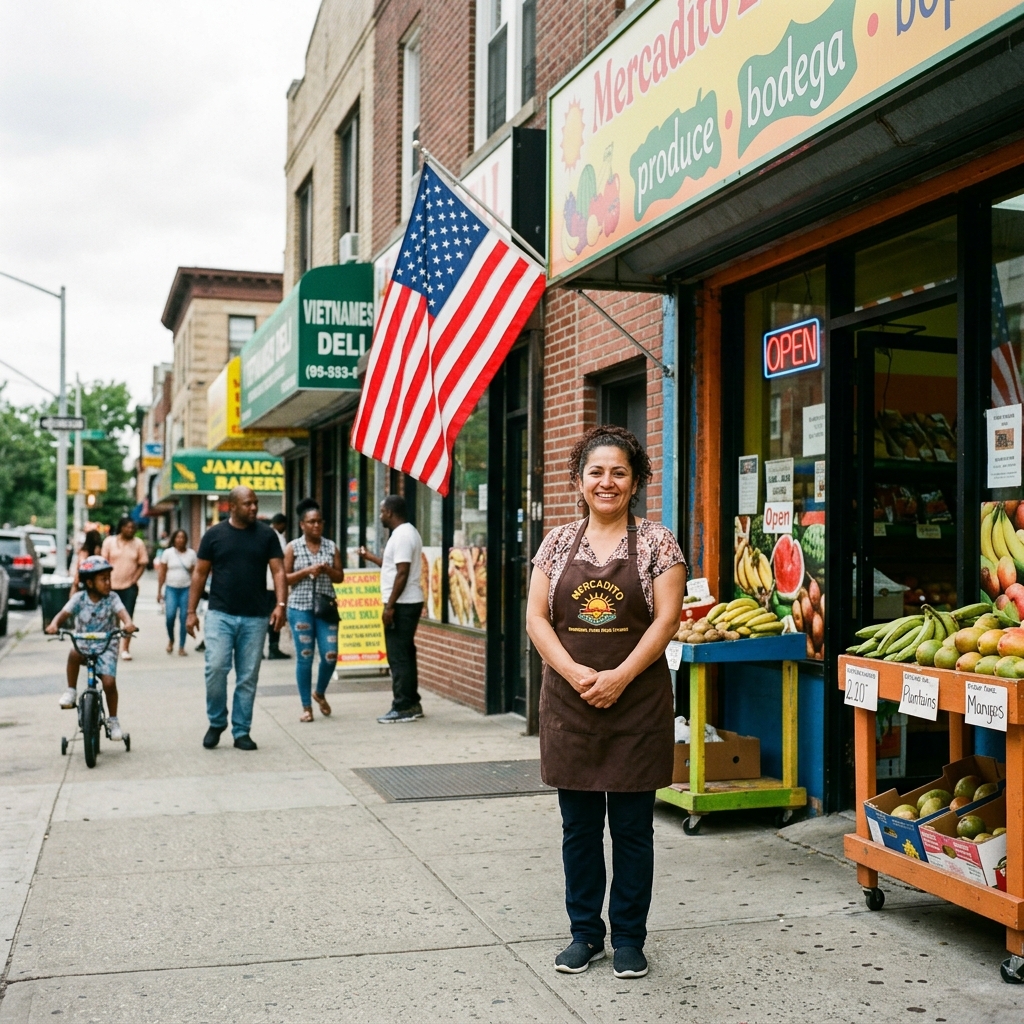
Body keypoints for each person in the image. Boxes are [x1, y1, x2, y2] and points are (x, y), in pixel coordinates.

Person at [526, 425, 686, 981]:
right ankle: (584, 935)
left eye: (619, 472)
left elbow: (667, 618)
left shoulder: (660, 543)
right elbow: (536, 619)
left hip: (636, 701)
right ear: (578, 480)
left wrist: (619, 675)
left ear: (636, 481)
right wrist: (573, 672)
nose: (607, 482)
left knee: (633, 829)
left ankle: (630, 939)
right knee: (578, 829)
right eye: (596, 471)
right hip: (570, 705)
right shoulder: (555, 544)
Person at [186, 486, 287, 751]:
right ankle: (217, 721)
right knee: (216, 668)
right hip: (220, 614)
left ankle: (242, 730)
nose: (254, 508)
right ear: (232, 506)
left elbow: (278, 572)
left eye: (255, 503)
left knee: (248, 676)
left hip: (255, 617)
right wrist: (190, 612)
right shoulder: (214, 535)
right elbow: (199, 574)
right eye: (247, 504)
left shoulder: (267, 535)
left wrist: (281, 604)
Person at [47, 555, 137, 742]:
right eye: (103, 579)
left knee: (109, 683)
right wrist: (54, 624)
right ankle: (71, 690)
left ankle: (113, 720)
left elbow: (123, 613)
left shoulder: (112, 598)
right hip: (83, 644)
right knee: (73, 653)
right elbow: (64, 613)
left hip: (106, 646)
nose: (108, 583)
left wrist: (128, 623)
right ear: (89, 582)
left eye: (108, 578)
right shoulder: (79, 598)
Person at [359, 494, 424, 723]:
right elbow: (392, 566)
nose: (380, 516)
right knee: (405, 653)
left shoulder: (403, 535)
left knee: (398, 657)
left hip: (403, 604)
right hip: (405, 602)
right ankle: (412, 701)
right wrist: (370, 557)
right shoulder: (405, 533)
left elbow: (402, 572)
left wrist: (389, 607)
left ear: (390, 512)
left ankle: (403, 706)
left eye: (381, 511)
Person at [284, 499, 344, 721]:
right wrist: (307, 571)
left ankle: (319, 692)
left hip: (325, 608)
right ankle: (306, 707)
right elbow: (285, 578)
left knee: (330, 654)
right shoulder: (293, 547)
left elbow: (340, 577)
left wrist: (327, 570)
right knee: (305, 656)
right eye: (311, 522)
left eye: (319, 522)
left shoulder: (331, 546)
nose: (316, 526)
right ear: (302, 525)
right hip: (300, 608)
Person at [100, 516, 148, 660]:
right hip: (110, 586)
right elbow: (103, 562)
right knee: (112, 617)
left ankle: (125, 648)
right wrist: (104, 582)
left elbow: (143, 563)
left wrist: (134, 579)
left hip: (129, 586)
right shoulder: (110, 542)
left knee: (127, 617)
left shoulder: (138, 544)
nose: (130, 530)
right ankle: (113, 645)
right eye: (127, 527)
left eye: (133, 528)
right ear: (121, 527)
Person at [156, 529, 197, 656]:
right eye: (178, 537)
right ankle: (171, 639)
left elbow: (196, 574)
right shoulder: (168, 553)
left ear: (186, 540)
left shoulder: (191, 554)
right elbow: (162, 572)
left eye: (183, 537)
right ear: (174, 539)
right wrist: (159, 591)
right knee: (170, 616)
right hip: (171, 588)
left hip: (186, 589)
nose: (180, 540)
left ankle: (181, 646)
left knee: (184, 618)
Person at [266, 513, 290, 659]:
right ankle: (273, 648)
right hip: (272, 585)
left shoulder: (268, 535)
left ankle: (270, 648)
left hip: (269, 584)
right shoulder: (275, 537)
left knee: (269, 617)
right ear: (279, 524)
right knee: (274, 617)